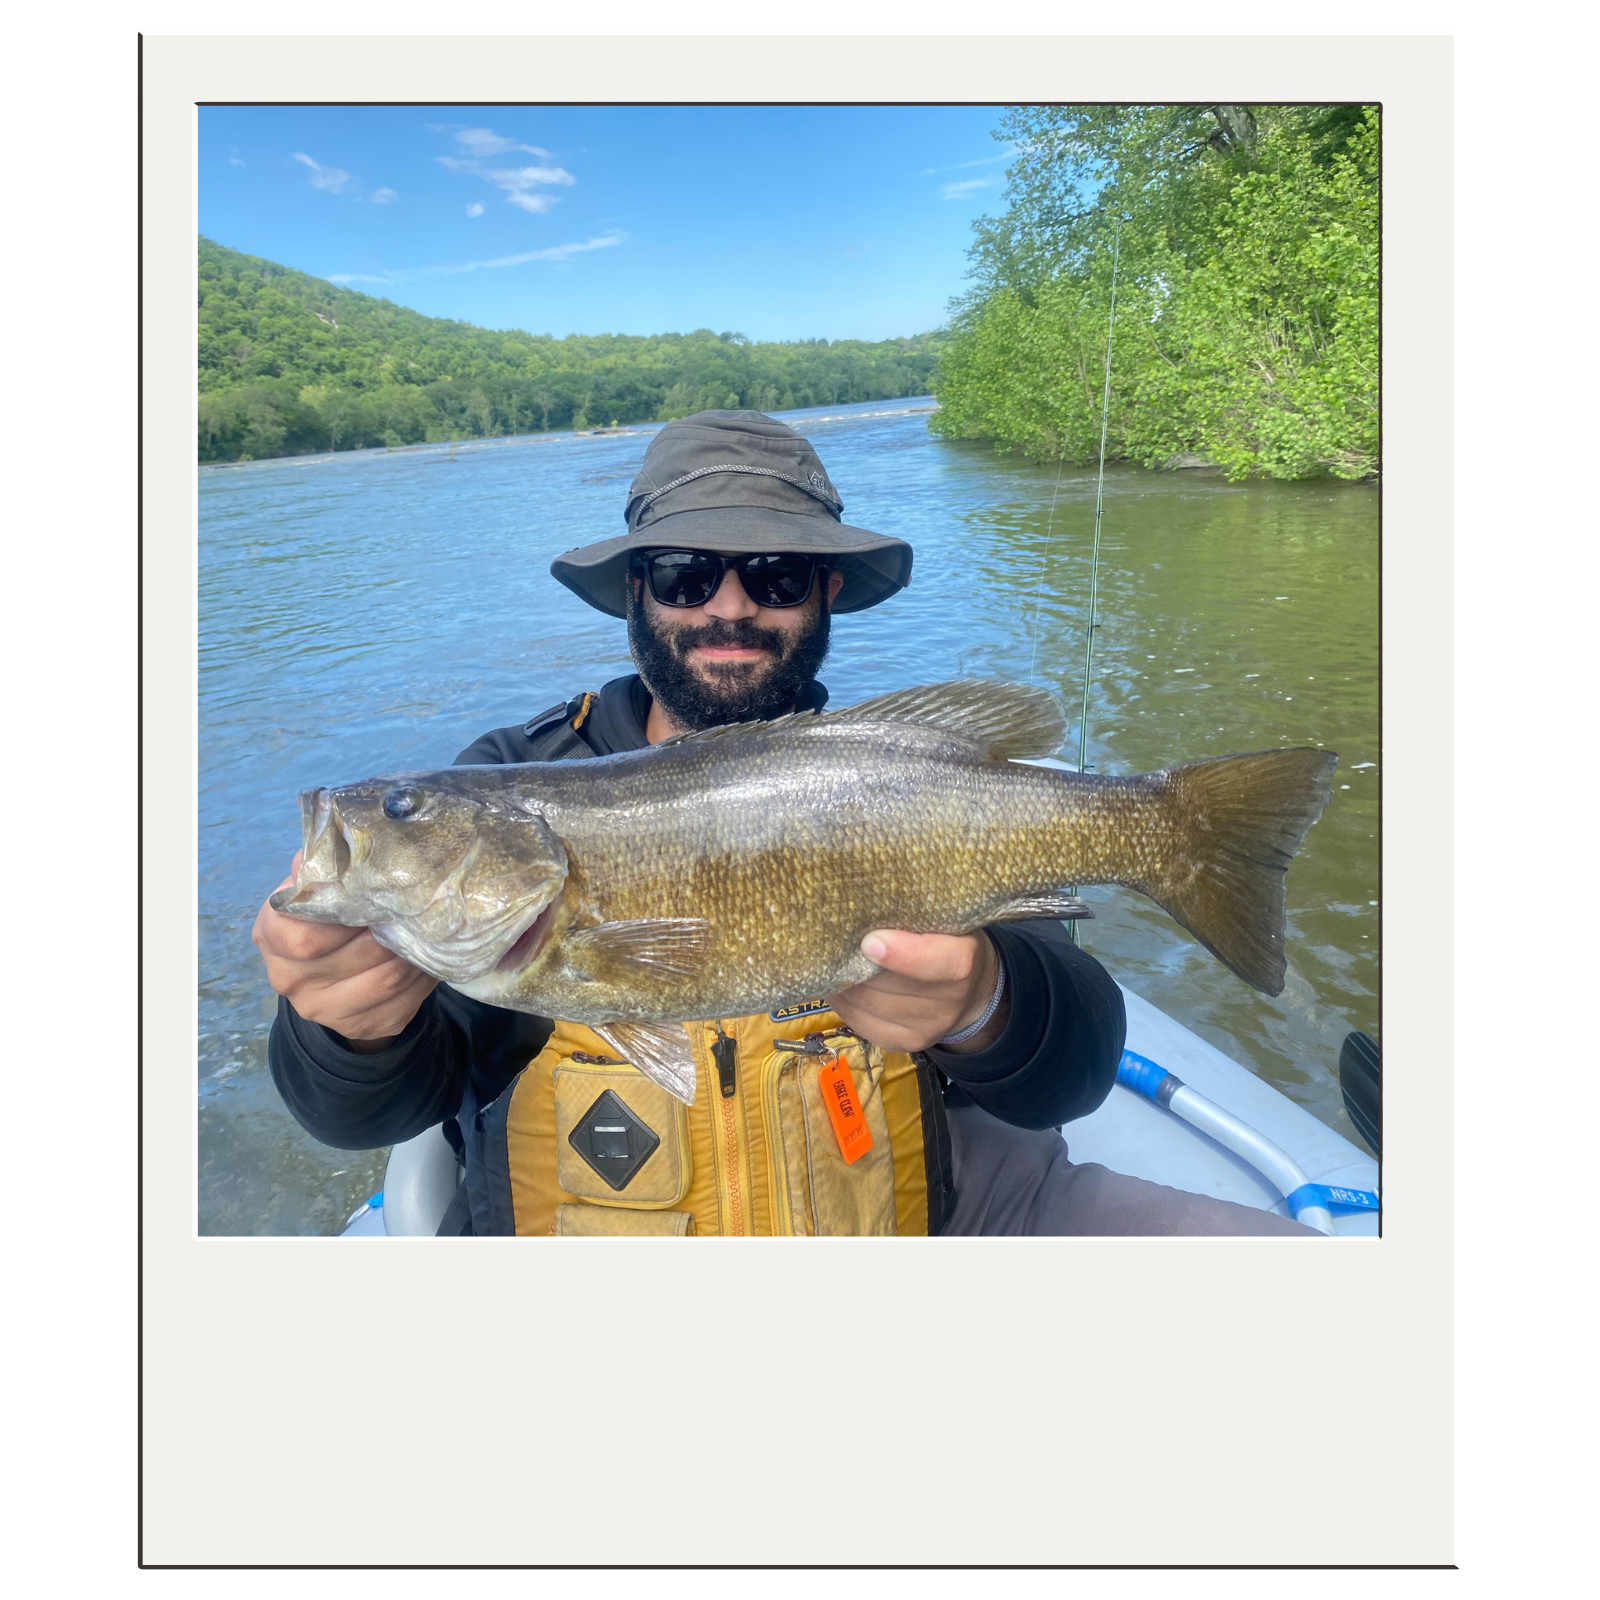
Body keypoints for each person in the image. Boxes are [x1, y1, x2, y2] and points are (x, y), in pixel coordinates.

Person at [256, 410, 1312, 1237]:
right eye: (683, 574)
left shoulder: (906, 776)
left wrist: (984, 999)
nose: (728, 606)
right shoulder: (504, 779)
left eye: (773, 574)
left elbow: (1072, 1073)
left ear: (827, 592)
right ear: (636, 593)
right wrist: (346, 1025)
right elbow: (367, 1115)